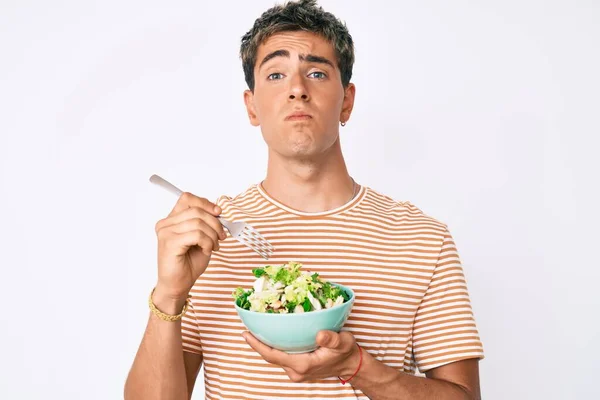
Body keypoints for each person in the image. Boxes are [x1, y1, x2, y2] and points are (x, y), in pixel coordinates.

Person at [124, 0, 484, 398]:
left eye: (316, 72)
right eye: (276, 74)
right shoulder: (208, 239)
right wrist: (169, 293)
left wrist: (355, 366)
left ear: (346, 100)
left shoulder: (422, 238)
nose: (297, 89)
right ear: (252, 106)